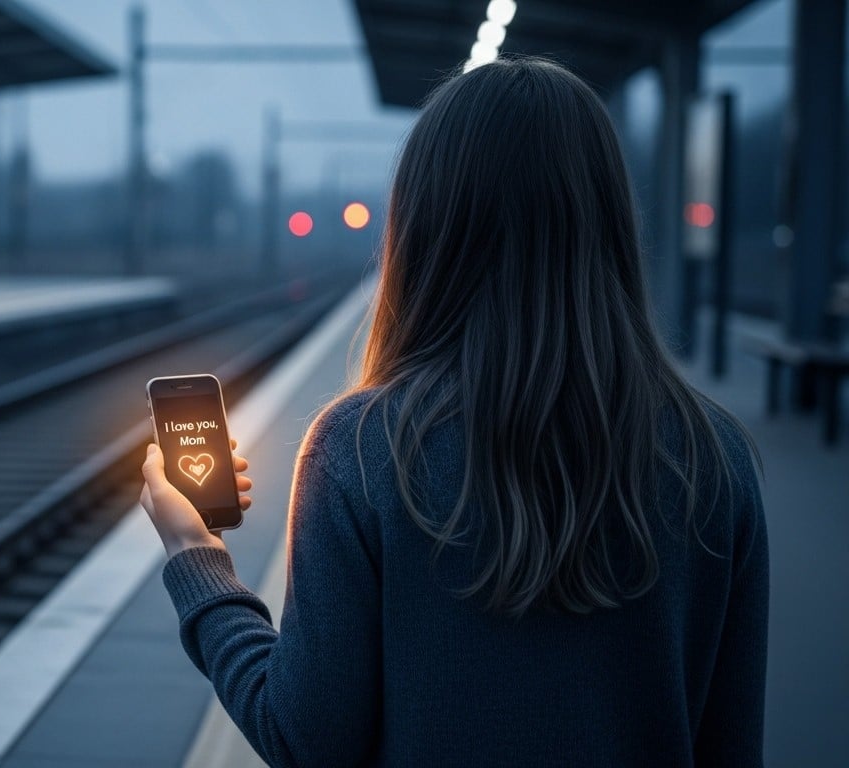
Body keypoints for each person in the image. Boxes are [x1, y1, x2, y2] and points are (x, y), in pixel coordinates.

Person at [139, 57, 768, 768]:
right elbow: (732, 746)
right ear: (609, 221)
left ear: (425, 227)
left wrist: (197, 559)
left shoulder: (361, 451)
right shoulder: (714, 456)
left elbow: (304, 740)